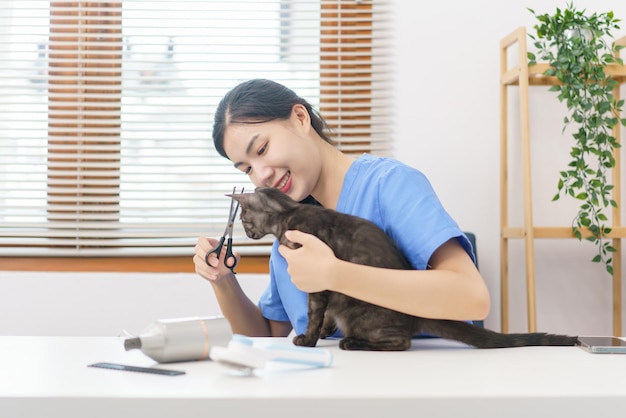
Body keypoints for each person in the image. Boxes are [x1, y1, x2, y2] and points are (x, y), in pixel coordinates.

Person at [194, 79, 490, 338]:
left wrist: (335, 275)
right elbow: (267, 335)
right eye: (246, 169)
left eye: (262, 150)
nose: (261, 176)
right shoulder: (290, 228)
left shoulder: (388, 186)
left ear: (300, 118)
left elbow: (472, 297)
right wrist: (222, 280)